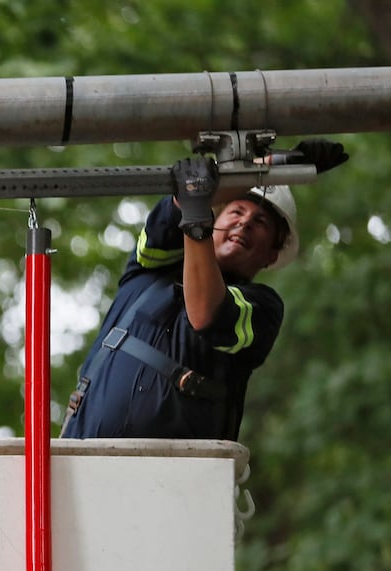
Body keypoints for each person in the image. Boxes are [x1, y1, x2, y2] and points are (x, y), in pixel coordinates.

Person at [61, 140, 347, 441]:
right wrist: (274, 165)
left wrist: (197, 220)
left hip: (183, 475)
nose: (245, 223)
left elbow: (207, 315)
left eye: (260, 222)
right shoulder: (149, 268)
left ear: (272, 255)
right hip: (83, 456)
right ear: (217, 215)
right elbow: (181, 204)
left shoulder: (264, 309)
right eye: (236, 211)